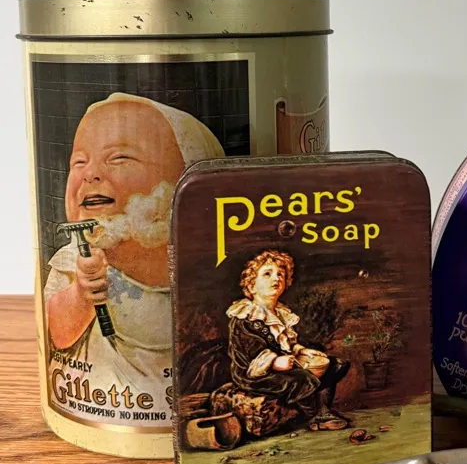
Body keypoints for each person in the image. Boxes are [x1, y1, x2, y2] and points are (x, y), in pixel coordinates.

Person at [44, 93, 225, 414]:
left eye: (118, 158)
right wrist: (81, 295)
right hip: (104, 399)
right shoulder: (74, 261)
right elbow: (56, 334)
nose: (90, 173)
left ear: (184, 182)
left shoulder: (208, 267)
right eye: (79, 162)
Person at [226, 250, 351, 431]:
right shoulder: (245, 317)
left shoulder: (280, 313)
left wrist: (300, 350)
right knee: (301, 378)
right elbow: (249, 358)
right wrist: (274, 362)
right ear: (252, 286)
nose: (276, 278)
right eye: (267, 274)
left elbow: (287, 343)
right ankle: (316, 416)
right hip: (254, 375)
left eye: (280, 274)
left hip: (282, 366)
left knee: (336, 365)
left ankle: (323, 410)